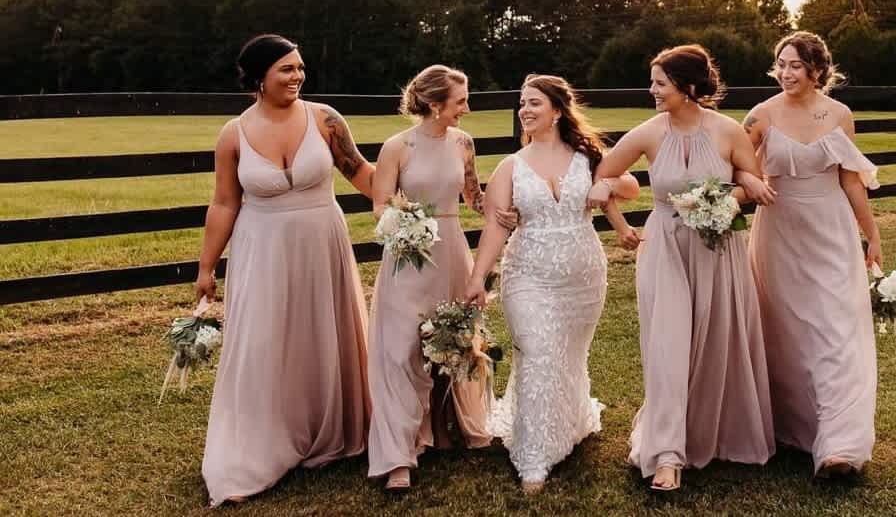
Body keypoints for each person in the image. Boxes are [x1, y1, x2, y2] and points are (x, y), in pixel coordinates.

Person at [196, 34, 376, 506]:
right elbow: (224, 203)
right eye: (286, 69)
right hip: (262, 248)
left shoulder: (325, 119)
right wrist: (206, 267)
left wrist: (410, 187)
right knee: (265, 338)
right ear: (260, 77)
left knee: (322, 331)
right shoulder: (233, 134)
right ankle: (261, 442)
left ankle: (327, 427)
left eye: (300, 67)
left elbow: (362, 173)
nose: (297, 76)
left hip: (322, 242)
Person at [590, 44, 775, 491]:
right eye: (652, 82)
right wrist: (618, 221)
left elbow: (751, 183)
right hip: (665, 247)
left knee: (715, 340)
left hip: (718, 247)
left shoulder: (728, 131)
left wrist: (730, 193)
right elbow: (602, 175)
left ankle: (716, 432)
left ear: (688, 87)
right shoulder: (648, 132)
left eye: (660, 83)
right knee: (667, 347)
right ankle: (667, 455)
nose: (652, 90)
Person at [463, 74, 639, 493]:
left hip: (584, 277)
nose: (524, 110)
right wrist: (477, 278)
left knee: (568, 356)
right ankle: (534, 457)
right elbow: (495, 227)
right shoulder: (511, 166)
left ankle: (570, 422)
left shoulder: (588, 156)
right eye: (522, 103)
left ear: (557, 111)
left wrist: (607, 183)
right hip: (528, 274)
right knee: (538, 354)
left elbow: (631, 186)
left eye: (534, 103)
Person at [739, 30, 882, 479]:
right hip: (779, 232)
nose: (785, 73)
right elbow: (736, 165)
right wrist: (750, 181)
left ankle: (839, 446)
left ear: (817, 70)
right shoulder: (761, 115)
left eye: (795, 66)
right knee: (788, 328)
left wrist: (872, 234)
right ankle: (795, 426)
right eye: (781, 64)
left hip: (830, 229)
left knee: (836, 326)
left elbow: (850, 180)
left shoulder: (839, 115)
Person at [366, 64, 516, 490]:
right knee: (401, 350)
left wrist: (501, 212)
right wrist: (406, 225)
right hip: (409, 256)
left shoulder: (463, 143)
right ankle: (398, 454)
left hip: (451, 250)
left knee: (451, 341)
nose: (466, 108)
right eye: (460, 101)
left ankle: (443, 426)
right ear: (434, 104)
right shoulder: (398, 147)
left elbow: (473, 197)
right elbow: (380, 205)